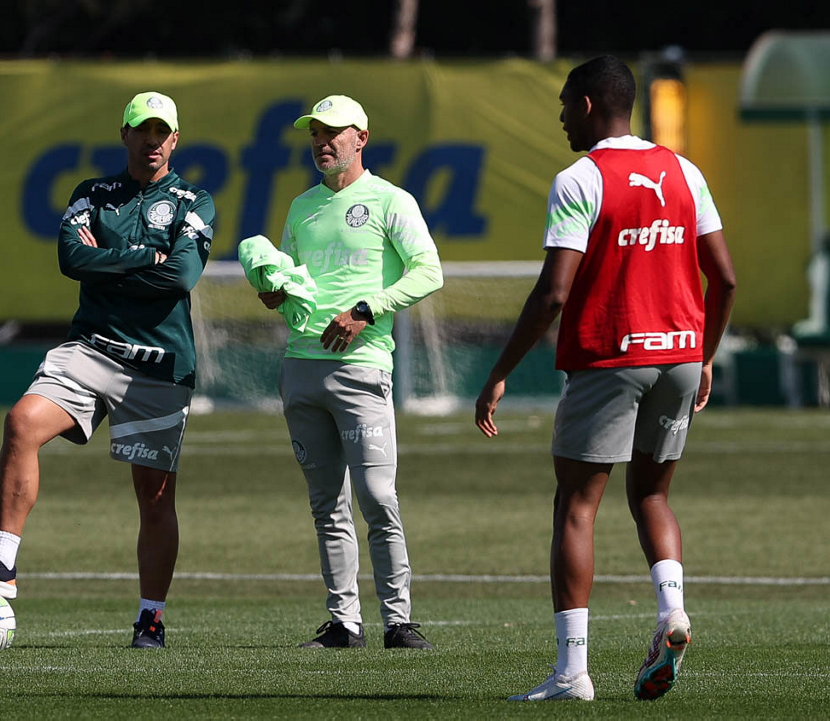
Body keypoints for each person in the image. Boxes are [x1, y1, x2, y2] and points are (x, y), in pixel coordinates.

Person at [474, 56, 737, 701]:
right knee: (651, 496)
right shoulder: (685, 171)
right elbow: (726, 278)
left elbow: (554, 293)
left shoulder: (580, 178)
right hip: (679, 355)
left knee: (576, 505)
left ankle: (572, 674)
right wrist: (704, 356)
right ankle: (671, 611)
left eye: (565, 104)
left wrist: (500, 371)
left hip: (610, 357)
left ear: (588, 105)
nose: (562, 118)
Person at [0, 91, 214, 649]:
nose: (152, 141)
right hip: (89, 350)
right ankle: (2, 560)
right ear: (125, 134)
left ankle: (151, 619)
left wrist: (109, 261)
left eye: (162, 132)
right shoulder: (92, 193)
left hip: (159, 364)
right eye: (142, 130)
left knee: (154, 498)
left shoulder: (195, 201)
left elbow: (182, 277)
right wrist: (147, 256)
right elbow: (72, 259)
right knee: (21, 422)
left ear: (175, 139)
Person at [258, 95, 444, 650]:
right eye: (315, 133)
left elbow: (428, 271)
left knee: (378, 497)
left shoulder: (391, 199)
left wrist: (367, 310)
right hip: (301, 368)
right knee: (326, 505)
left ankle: (398, 621)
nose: (322, 142)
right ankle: (344, 623)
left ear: (361, 137)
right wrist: (275, 292)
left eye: (333, 132)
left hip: (362, 368)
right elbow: (290, 283)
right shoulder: (301, 207)